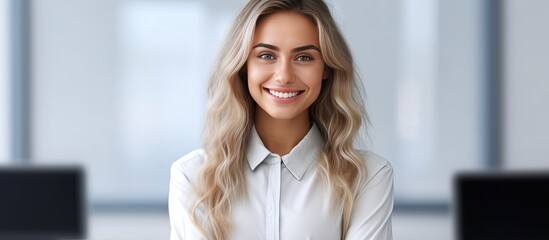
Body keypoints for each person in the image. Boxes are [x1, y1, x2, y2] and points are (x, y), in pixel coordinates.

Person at [169, 0, 394, 239]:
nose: (284, 76)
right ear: (243, 64)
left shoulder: (369, 177)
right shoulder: (192, 176)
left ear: (326, 67)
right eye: (266, 55)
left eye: (304, 57)